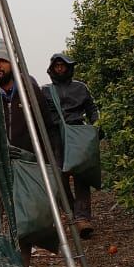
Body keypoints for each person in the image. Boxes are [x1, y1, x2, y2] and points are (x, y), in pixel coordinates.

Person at [0, 39, 60, 267]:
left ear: (12, 63)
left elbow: (47, 127)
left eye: (2, 60)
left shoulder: (29, 90)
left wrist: (50, 165)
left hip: (25, 168)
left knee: (24, 223)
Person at [45, 52, 100, 239]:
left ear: (69, 68)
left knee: (81, 174)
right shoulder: (45, 91)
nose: (60, 69)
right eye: (57, 66)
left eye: (63, 66)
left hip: (77, 134)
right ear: (52, 69)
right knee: (59, 177)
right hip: (55, 137)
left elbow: (92, 109)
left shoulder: (80, 88)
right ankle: (72, 215)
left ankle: (82, 218)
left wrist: (96, 127)